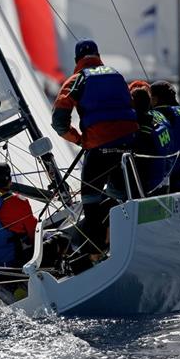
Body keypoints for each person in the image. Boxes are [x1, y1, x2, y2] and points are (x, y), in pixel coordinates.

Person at [51, 40, 138, 254]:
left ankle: (95, 252)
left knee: (90, 201)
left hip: (99, 148)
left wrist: (79, 139)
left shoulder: (77, 79)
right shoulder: (117, 75)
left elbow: (59, 121)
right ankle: (123, 242)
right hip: (129, 145)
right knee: (119, 197)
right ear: (98, 55)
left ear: (76, 60)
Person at [131, 87, 173, 196]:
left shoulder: (143, 131)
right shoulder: (161, 123)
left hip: (146, 188)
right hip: (163, 183)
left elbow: (141, 159)